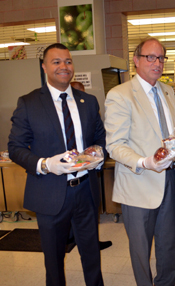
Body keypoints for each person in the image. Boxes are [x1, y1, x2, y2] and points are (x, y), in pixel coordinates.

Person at [8, 43, 106, 286]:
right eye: (56, 61)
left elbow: (99, 139)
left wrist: (97, 155)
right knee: (53, 260)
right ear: (44, 67)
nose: (64, 66)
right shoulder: (29, 103)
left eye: (68, 61)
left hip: (86, 190)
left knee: (92, 254)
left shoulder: (88, 101)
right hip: (49, 191)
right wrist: (45, 164)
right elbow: (15, 148)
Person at [104, 38, 175, 286]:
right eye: (151, 57)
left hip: (169, 176)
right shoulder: (120, 94)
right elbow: (115, 145)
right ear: (136, 61)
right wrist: (144, 162)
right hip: (138, 180)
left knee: (168, 242)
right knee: (140, 247)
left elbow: (172, 133)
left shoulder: (168, 91)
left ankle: (167, 283)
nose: (157, 63)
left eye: (161, 58)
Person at [67, 80, 112, 251]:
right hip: (65, 176)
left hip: (89, 172)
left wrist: (97, 156)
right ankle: (72, 238)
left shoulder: (90, 107)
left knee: (90, 213)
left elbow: (100, 136)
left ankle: (90, 242)